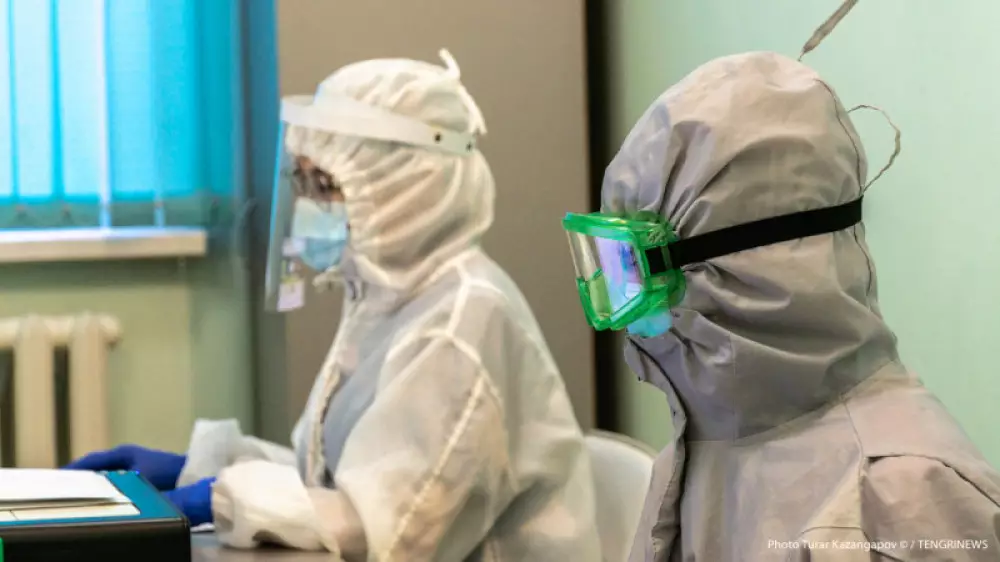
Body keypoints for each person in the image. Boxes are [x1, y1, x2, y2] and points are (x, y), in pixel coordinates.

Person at [67, 50, 600, 561]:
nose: (310, 203)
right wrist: (197, 469)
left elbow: (379, 532)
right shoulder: (390, 301)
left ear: (411, 190)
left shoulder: (460, 324)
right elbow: (330, 479)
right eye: (303, 180)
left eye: (326, 183)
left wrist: (216, 498)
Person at [561, 48, 1000, 562]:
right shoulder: (711, 445)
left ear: (744, 268)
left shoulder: (900, 500)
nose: (619, 306)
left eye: (630, 266)